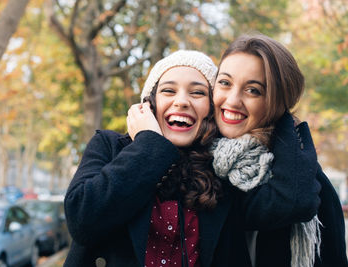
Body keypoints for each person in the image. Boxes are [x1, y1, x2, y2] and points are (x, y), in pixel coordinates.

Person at [63, 49, 320, 267]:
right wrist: (150, 146)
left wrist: (279, 109)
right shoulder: (109, 147)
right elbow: (83, 220)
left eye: (197, 93)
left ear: (211, 108)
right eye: (168, 91)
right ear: (148, 104)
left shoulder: (223, 168)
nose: (182, 102)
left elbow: (292, 202)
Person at [210, 33, 347, 267]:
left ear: (278, 103)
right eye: (225, 83)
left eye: (253, 90)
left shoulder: (311, 183)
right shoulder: (192, 167)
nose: (232, 100)